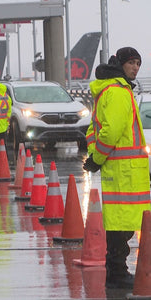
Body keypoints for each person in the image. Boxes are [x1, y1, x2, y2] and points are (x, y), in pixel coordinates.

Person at [83, 47, 151, 289]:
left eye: (138, 64)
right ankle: (116, 271)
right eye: (131, 62)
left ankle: (116, 270)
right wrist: (98, 158)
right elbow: (111, 131)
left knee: (120, 223)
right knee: (121, 225)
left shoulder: (110, 90)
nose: (135, 68)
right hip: (125, 171)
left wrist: (96, 156)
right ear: (120, 64)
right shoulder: (119, 92)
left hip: (121, 169)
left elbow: (94, 129)